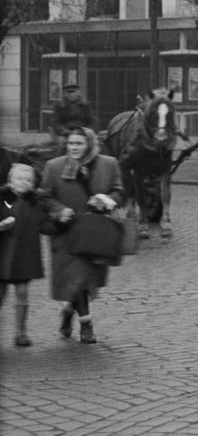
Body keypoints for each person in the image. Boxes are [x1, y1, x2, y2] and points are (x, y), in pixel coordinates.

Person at [39, 128, 124, 345]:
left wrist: (107, 200)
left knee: (86, 280)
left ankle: (68, 310)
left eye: (79, 143)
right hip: (65, 233)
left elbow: (119, 192)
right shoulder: (54, 166)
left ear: (89, 144)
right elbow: (45, 196)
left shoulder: (108, 164)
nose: (74, 148)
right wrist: (59, 211)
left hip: (95, 232)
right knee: (77, 278)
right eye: (70, 144)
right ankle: (86, 324)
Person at [1, 163, 48, 347]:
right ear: (10, 181)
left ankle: (21, 332)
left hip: (24, 255)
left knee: (22, 293)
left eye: (28, 180)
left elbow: (44, 225)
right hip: (3, 254)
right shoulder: (5, 199)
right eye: (19, 179)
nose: (24, 182)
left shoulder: (35, 203)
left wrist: (61, 223)